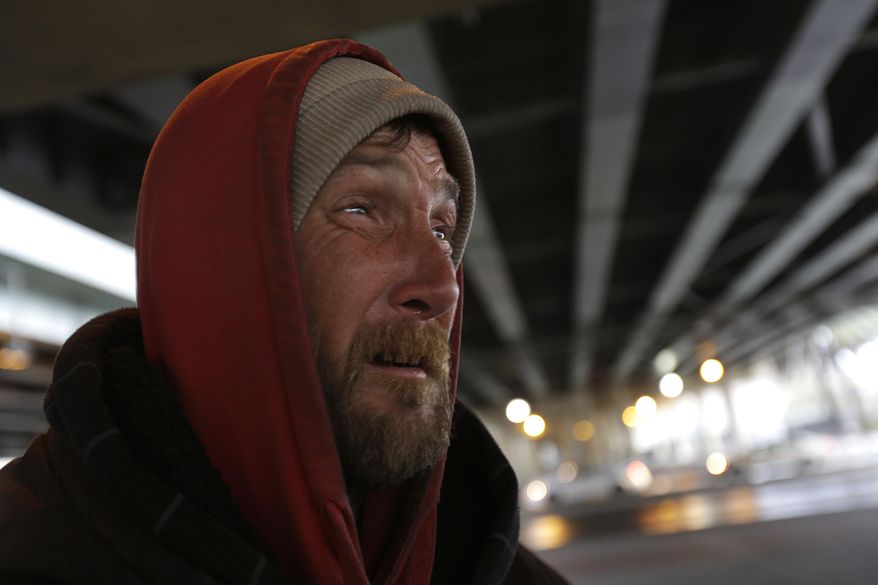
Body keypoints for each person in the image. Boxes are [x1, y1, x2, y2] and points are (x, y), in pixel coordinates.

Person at [0, 39, 569, 585]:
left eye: (443, 230)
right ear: (224, 265)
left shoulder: (496, 565)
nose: (443, 286)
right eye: (360, 209)